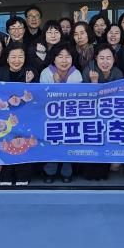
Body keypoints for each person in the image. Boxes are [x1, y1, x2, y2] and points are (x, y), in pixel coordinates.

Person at [0, 42, 37, 185]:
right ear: (7, 59)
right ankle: (6, 174)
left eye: (20, 57)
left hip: (25, 119)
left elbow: (36, 98)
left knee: (23, 145)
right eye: (13, 57)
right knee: (7, 145)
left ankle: (23, 174)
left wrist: (29, 83)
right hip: (4, 118)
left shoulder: (31, 72)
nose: (17, 60)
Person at [39, 43, 82, 183]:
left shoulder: (76, 74)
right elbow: (43, 97)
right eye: (60, 57)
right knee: (52, 140)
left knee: (69, 139)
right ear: (54, 58)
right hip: (49, 116)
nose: (64, 60)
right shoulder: (46, 73)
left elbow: (73, 98)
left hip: (70, 116)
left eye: (67, 57)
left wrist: (58, 86)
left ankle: (66, 169)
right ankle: (50, 170)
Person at [81, 43, 124, 181]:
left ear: (113, 59)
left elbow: (120, 99)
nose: (105, 62)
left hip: (111, 116)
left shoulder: (118, 73)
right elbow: (83, 97)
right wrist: (94, 84)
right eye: (101, 58)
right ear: (96, 59)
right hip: (91, 116)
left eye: (108, 58)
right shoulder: (88, 70)